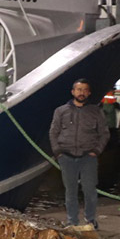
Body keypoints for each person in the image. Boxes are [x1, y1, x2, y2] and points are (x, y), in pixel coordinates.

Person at [48, 78, 109, 229]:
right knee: (71, 191)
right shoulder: (61, 111)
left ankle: (90, 220)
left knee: (89, 191)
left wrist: (97, 151)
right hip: (66, 157)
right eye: (79, 89)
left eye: (84, 90)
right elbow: (53, 132)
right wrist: (58, 152)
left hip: (88, 157)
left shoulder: (96, 111)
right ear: (73, 92)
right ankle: (72, 222)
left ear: (89, 93)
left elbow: (104, 133)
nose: (81, 93)